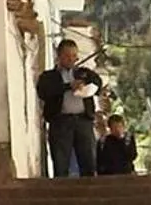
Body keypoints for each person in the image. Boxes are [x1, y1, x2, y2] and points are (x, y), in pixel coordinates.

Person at [36, 39, 102, 177]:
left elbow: (98, 83)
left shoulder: (84, 73)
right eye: (67, 56)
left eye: (74, 56)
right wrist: (67, 87)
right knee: (61, 163)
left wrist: (86, 85)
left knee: (88, 162)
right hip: (61, 122)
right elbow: (43, 91)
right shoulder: (50, 76)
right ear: (59, 56)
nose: (71, 59)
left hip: (83, 121)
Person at [95, 111, 138, 176]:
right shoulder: (103, 141)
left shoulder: (128, 139)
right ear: (110, 128)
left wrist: (122, 141)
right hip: (109, 174)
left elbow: (132, 155)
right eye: (114, 127)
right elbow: (100, 160)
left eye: (120, 126)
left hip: (126, 173)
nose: (117, 129)